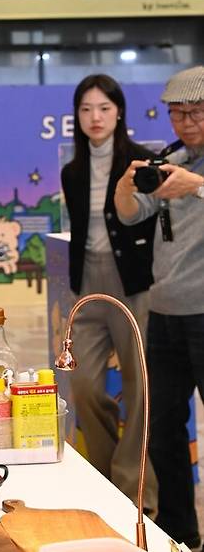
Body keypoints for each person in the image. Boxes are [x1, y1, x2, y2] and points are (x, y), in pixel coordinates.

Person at [115, 65, 204, 549]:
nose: (185, 124)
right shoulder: (172, 159)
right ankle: (178, 531)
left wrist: (196, 185)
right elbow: (131, 215)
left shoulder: (189, 172)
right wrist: (128, 183)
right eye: (176, 114)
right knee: (165, 427)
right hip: (166, 314)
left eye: (195, 114)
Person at [60, 74, 158, 510]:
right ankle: (102, 482)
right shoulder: (71, 171)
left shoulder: (141, 163)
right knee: (81, 385)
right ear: (76, 117)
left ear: (119, 111)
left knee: (139, 392)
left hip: (135, 285)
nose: (95, 117)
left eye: (103, 108)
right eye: (85, 109)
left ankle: (137, 499)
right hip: (89, 286)